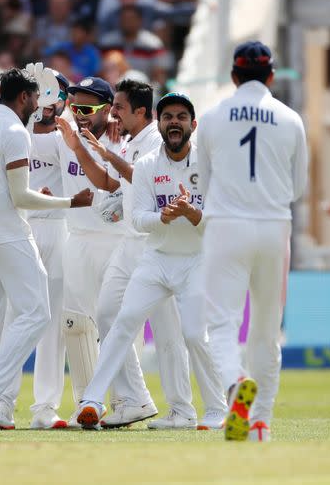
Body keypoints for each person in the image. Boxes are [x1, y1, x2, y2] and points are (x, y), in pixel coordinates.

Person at [74, 92, 227, 430]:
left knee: (192, 334)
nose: (174, 122)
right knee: (123, 321)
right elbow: (139, 219)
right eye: (168, 116)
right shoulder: (146, 165)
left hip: (196, 262)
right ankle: (92, 401)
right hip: (156, 259)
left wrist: (193, 213)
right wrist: (166, 217)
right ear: (159, 124)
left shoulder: (210, 163)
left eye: (181, 117)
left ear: (193, 125)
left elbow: (220, 220)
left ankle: (215, 410)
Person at [0, 68, 92, 430]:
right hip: (10, 231)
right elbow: (19, 196)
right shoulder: (16, 130)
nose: (38, 104)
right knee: (36, 314)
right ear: (23, 97)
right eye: (34, 97)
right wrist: (68, 203)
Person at [56, 78, 191, 429]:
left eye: (118, 107)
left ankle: (183, 408)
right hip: (132, 243)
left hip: (155, 244)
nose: (113, 113)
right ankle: (134, 400)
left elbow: (140, 178)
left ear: (141, 111)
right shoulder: (133, 141)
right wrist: (81, 149)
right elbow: (111, 183)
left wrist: (103, 153)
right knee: (108, 316)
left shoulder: (151, 142)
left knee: (167, 331)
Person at [197, 42, 308, 442]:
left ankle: (233, 382)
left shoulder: (210, 118)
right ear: (272, 76)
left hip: (226, 224)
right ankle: (259, 421)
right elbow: (299, 187)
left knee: (222, 323)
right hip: (274, 227)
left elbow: (204, 184)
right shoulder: (291, 119)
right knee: (266, 328)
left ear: (233, 76)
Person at [26, 75, 124, 428]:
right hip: (76, 238)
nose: (79, 114)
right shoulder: (61, 138)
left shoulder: (122, 138)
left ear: (108, 109)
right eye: (75, 106)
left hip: (118, 242)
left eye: (88, 107)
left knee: (116, 324)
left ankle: (122, 402)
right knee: (69, 325)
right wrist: (35, 105)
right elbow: (29, 145)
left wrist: (114, 129)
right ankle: (73, 406)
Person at [4, 71, 72, 430]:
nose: (45, 106)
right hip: (22, 228)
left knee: (52, 322)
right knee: (15, 319)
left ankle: (45, 407)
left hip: (58, 229)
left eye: (53, 98)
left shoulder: (67, 137)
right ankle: (2, 401)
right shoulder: (17, 133)